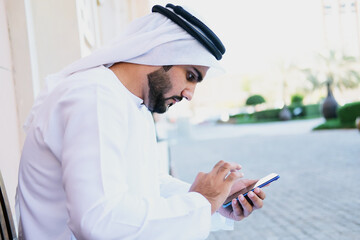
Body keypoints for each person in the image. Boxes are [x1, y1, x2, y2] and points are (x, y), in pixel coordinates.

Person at [16, 4, 266, 240]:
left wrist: (215, 202)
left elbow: (146, 185)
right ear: (162, 52)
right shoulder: (93, 96)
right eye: (190, 76)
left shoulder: (132, 104)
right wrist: (200, 202)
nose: (190, 93)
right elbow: (99, 220)